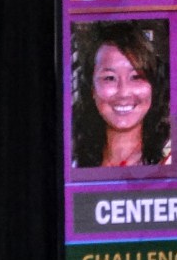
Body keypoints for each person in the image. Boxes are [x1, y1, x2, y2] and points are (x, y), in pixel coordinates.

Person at [71, 20, 171, 168]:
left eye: (136, 77)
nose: (124, 92)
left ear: (153, 87)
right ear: (92, 89)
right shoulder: (72, 165)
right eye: (109, 78)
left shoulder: (172, 162)